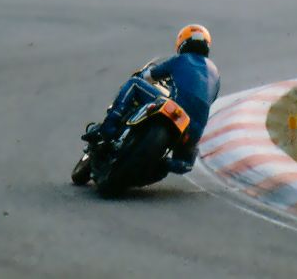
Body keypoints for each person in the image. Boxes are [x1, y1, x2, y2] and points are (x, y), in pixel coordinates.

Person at [83, 24, 220, 177]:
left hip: (175, 107)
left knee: (134, 83)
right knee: (185, 164)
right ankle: (164, 165)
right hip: (194, 129)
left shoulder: (181, 60)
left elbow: (149, 76)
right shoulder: (215, 73)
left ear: (182, 43)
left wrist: (141, 74)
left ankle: (107, 128)